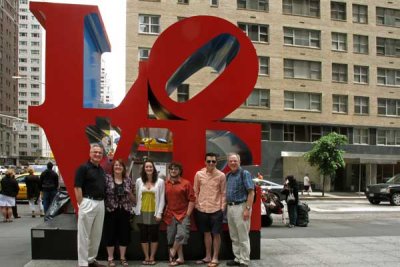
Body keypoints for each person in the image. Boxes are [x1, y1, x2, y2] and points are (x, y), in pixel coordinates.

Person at [74, 144, 107, 267]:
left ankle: (91, 260)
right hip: (87, 202)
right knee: (84, 235)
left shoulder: (101, 169)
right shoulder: (83, 168)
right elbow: (77, 187)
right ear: (90, 153)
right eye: (95, 152)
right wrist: (81, 204)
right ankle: (83, 263)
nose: (97, 154)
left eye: (100, 153)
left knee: (96, 234)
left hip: (100, 203)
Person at [193, 152, 226, 267]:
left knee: (216, 234)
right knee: (206, 234)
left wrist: (222, 208)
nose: (211, 163)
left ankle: (215, 257)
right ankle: (208, 256)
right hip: (201, 209)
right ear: (205, 162)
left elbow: (223, 193)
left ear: (216, 162)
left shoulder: (221, 175)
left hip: (216, 209)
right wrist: (197, 205)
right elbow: (195, 191)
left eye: (213, 161)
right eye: (209, 161)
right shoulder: (199, 174)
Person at [225, 153, 255, 267]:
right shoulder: (228, 175)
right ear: (228, 163)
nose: (233, 163)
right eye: (231, 161)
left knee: (243, 236)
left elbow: (251, 192)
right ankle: (237, 258)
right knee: (234, 236)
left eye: (235, 161)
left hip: (241, 207)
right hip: (230, 207)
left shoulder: (244, 173)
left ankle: (244, 260)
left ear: (239, 162)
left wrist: (247, 209)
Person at [163, 162, 195, 266]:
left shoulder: (186, 183)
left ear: (180, 171)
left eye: (176, 169)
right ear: (169, 170)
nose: (173, 171)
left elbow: (192, 200)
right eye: (171, 169)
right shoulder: (165, 183)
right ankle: (180, 258)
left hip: (183, 214)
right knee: (171, 238)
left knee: (181, 235)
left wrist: (188, 214)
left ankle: (172, 252)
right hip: (170, 214)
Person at [104, 159, 135, 267]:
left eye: (120, 165)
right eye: (116, 165)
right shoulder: (107, 179)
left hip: (124, 210)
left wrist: (129, 192)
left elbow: (133, 199)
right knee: (110, 234)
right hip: (110, 210)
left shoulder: (128, 180)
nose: (118, 167)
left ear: (123, 168)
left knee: (124, 235)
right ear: (113, 168)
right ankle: (110, 258)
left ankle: (122, 258)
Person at [134, 159, 165, 265]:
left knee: (154, 235)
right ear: (144, 169)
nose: (148, 168)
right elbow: (137, 197)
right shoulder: (139, 181)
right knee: (143, 236)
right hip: (141, 212)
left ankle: (152, 257)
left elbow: (162, 199)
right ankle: (146, 257)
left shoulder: (160, 182)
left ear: (154, 168)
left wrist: (159, 213)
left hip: (154, 213)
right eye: (146, 167)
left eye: (150, 167)